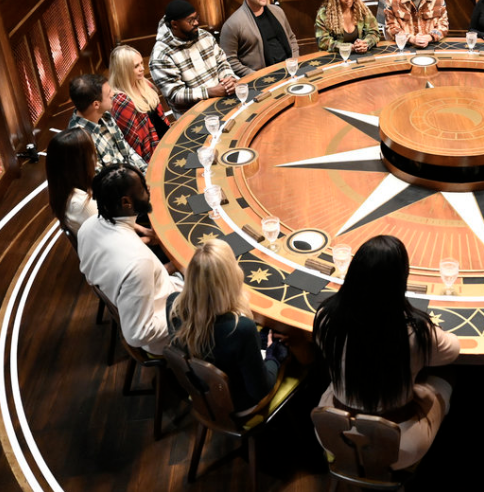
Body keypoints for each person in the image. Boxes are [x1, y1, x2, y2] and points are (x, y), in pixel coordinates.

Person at [313, 235, 460, 470]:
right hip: (399, 447)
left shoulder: (325, 317)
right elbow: (453, 350)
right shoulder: (416, 332)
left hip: (332, 434)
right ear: (400, 281)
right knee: (448, 375)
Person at [166, 239, 287, 410]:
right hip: (236, 403)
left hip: (202, 392)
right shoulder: (241, 329)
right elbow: (260, 390)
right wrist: (273, 356)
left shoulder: (173, 305)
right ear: (231, 277)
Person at [77, 164, 182, 354]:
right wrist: (188, 313)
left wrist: (172, 266)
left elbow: (90, 276)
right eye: (142, 187)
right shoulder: (139, 262)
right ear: (126, 202)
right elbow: (138, 334)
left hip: (162, 294)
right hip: (169, 335)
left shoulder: (87, 227)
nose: (148, 189)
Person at [149, 0, 237, 112]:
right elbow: (175, 93)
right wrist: (209, 92)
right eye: (190, 20)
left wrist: (228, 79)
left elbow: (222, 62)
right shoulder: (161, 56)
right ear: (174, 24)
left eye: (196, 18)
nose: (196, 23)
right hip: (193, 113)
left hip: (222, 98)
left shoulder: (204, 36)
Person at [220, 0, 299, 77]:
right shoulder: (233, 24)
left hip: (290, 70)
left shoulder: (277, 11)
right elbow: (230, 60)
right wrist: (257, 76)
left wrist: (294, 62)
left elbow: (291, 38)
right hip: (262, 78)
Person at [68, 74, 148, 174]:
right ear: (96, 104)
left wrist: (146, 171)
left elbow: (127, 150)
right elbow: (103, 182)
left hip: (134, 177)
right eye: (108, 93)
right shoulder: (80, 141)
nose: (113, 94)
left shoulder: (105, 115)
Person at [108, 45, 170, 163]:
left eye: (141, 63)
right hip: (152, 156)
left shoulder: (144, 83)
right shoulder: (121, 101)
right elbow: (133, 144)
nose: (142, 68)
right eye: (136, 66)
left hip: (166, 141)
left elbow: (161, 119)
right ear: (123, 71)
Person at [46, 128, 98, 233]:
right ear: (80, 163)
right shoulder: (83, 205)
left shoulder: (64, 190)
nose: (95, 156)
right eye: (91, 153)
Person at [315, 0, 381, 53]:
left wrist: (365, 43)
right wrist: (348, 47)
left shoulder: (361, 9)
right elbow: (323, 41)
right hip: (336, 56)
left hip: (360, 54)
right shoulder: (324, 14)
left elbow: (374, 32)